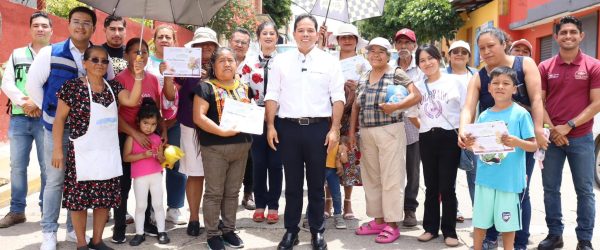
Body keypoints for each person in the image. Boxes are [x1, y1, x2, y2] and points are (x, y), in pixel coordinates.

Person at [26, 6, 115, 249]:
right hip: (57, 129)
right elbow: (34, 86)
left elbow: (111, 89)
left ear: (94, 28)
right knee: (54, 180)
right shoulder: (50, 53)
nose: (81, 26)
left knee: (81, 183)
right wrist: (50, 110)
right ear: (68, 24)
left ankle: (73, 231)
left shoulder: (100, 55)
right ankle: (49, 231)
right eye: (76, 21)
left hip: (89, 134)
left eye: (87, 23)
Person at [458, 26, 547, 250]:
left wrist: (537, 129)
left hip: (519, 140)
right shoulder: (479, 76)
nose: (486, 51)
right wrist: (463, 130)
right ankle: (490, 237)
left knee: (518, 192)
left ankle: (520, 241)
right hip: (489, 145)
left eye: (491, 46)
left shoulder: (524, 64)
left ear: (504, 43)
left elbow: (537, 98)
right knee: (489, 192)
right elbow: (468, 107)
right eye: (482, 48)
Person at [51, 45, 143, 250]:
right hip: (82, 154)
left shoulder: (114, 87)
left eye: (104, 61)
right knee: (79, 201)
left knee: (104, 200)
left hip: (108, 153)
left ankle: (97, 240)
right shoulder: (72, 87)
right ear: (85, 63)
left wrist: (138, 76)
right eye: (95, 60)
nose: (100, 64)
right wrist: (57, 148)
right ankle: (82, 244)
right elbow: (59, 120)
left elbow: (132, 100)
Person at [265, 14, 345, 250]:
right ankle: (291, 231)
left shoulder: (329, 62)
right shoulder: (280, 61)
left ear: (318, 33)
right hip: (287, 128)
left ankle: (317, 231)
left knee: (317, 183)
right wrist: (270, 125)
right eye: (301, 30)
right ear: (293, 33)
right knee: (292, 185)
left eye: (310, 30)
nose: (306, 34)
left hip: (319, 129)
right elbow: (272, 94)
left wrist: (335, 129)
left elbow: (338, 97)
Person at [350, 37, 421, 244]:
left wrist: (396, 107)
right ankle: (378, 220)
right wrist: (353, 132)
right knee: (372, 178)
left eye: (380, 51)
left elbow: (416, 96)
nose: (376, 55)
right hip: (367, 132)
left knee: (392, 178)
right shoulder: (364, 75)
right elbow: (356, 105)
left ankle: (392, 224)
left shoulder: (396, 73)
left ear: (388, 54)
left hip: (390, 130)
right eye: (372, 51)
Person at [537, 16, 599, 250]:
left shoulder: (593, 66)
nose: (568, 36)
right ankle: (555, 235)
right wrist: (553, 130)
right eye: (563, 33)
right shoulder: (545, 67)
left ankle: (584, 239)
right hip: (551, 138)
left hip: (581, 137)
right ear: (556, 37)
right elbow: (539, 102)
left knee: (584, 190)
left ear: (581, 36)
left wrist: (569, 125)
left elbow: (597, 103)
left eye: (573, 32)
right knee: (550, 188)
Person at [463, 66, 537, 250]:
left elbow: (534, 144)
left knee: (508, 224)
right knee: (480, 222)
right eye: (495, 83)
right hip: (485, 179)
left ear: (514, 88)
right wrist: (469, 144)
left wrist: (516, 141)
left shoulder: (521, 114)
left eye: (506, 83)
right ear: (489, 88)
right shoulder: (484, 115)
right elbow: (476, 148)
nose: (500, 87)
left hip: (509, 182)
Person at [112, 38, 175, 244]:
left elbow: (156, 109)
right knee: (123, 185)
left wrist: (162, 128)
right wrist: (135, 133)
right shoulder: (119, 79)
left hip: (149, 136)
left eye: (144, 52)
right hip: (126, 135)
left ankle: (148, 223)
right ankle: (120, 227)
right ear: (126, 56)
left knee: (149, 181)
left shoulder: (152, 78)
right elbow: (117, 114)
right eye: (135, 52)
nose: (140, 56)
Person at [193, 47, 252, 250]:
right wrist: (222, 132)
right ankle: (212, 234)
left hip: (241, 148)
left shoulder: (244, 87)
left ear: (236, 64)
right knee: (214, 192)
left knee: (233, 192)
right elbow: (198, 117)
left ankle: (228, 230)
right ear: (213, 65)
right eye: (222, 61)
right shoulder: (205, 87)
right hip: (215, 148)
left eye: (230, 60)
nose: (227, 64)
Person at [0, 11, 52, 229]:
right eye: (36, 25)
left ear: (51, 30)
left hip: (45, 118)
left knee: (47, 167)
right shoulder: (17, 54)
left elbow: (58, 86)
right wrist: (25, 102)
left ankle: (46, 211)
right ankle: (17, 211)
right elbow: (7, 83)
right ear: (30, 28)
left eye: (44, 25)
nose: (40, 29)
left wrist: (37, 104)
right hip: (20, 119)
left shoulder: (55, 54)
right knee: (17, 167)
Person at [413, 45, 464, 247]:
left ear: (439, 58)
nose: (427, 63)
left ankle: (450, 231)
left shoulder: (454, 81)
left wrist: (462, 133)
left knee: (447, 187)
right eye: (422, 60)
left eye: (430, 58)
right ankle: (430, 228)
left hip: (449, 138)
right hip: (426, 137)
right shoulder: (417, 85)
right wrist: (426, 127)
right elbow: (412, 115)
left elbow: (465, 109)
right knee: (431, 186)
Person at [239, 21, 282, 224]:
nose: (268, 36)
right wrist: (249, 103)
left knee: (275, 163)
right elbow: (240, 87)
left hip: (280, 118)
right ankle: (259, 205)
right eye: (264, 33)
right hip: (255, 117)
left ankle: (273, 205)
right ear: (258, 37)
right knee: (258, 163)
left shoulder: (284, 61)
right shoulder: (248, 62)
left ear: (277, 37)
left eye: (271, 33)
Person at [144, 24, 188, 225]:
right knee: (153, 165)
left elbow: (186, 91)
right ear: (154, 40)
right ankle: (153, 209)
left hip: (176, 121)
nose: (164, 40)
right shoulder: (146, 62)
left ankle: (174, 208)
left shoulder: (183, 61)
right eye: (160, 36)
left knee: (176, 164)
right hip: (151, 123)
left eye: (168, 37)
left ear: (174, 41)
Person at [326, 23, 369, 221]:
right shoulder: (328, 58)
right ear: (338, 40)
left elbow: (369, 86)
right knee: (327, 157)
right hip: (329, 114)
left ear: (356, 40)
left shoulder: (363, 63)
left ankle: (347, 203)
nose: (347, 40)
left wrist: (356, 87)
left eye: (351, 37)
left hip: (352, 116)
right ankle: (327, 201)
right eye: (343, 37)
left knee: (349, 157)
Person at [178, 26, 219, 236]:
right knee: (194, 174)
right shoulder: (184, 64)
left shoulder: (222, 65)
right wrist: (167, 74)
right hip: (190, 125)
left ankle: (214, 217)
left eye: (210, 45)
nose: (205, 48)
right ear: (193, 46)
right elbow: (171, 90)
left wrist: (209, 78)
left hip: (217, 128)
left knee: (217, 175)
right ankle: (194, 218)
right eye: (200, 44)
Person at [123, 98, 170, 246]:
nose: (149, 127)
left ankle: (162, 231)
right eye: (146, 123)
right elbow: (126, 157)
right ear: (138, 121)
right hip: (140, 178)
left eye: (153, 124)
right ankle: (139, 233)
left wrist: (161, 156)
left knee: (158, 204)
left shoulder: (157, 139)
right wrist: (143, 155)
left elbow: (162, 161)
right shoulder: (132, 138)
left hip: (156, 176)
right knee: (141, 205)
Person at [390, 28, 424, 227]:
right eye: (399, 43)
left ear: (414, 45)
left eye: (407, 43)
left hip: (414, 128)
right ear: (395, 46)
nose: (403, 47)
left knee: (412, 171)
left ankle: (409, 209)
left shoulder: (421, 69)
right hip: (389, 128)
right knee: (391, 171)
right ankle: (392, 209)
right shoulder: (387, 68)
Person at [445, 40, 477, 222]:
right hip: (448, 130)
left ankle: (479, 210)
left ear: (469, 56)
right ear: (449, 56)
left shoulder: (477, 75)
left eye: (463, 52)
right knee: (449, 176)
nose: (459, 54)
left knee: (475, 175)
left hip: (473, 131)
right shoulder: (441, 76)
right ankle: (453, 210)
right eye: (455, 51)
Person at [228, 27, 256, 211]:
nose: (239, 45)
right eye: (236, 41)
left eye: (243, 42)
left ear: (248, 46)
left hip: (247, 116)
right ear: (230, 41)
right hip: (223, 116)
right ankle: (228, 195)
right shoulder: (221, 60)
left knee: (249, 157)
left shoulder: (254, 65)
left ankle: (248, 193)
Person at [323, 135, 348, 229]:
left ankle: (338, 215)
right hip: (319, 166)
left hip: (333, 168)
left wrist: (339, 156)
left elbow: (344, 158)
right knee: (316, 192)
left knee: (336, 193)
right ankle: (310, 216)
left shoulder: (339, 136)